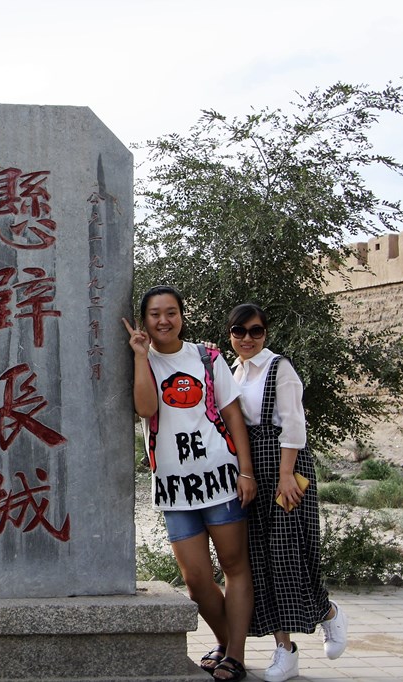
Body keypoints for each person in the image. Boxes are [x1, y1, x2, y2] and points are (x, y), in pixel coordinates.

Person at [123, 285, 256, 682]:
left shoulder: (206, 357)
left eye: (171, 312)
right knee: (197, 581)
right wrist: (141, 357)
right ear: (144, 319)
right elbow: (146, 409)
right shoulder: (141, 359)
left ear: (182, 315)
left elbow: (233, 417)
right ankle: (225, 639)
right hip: (175, 487)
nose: (163, 320)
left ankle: (234, 654)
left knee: (234, 566)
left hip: (219, 476)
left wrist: (245, 471)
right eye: (154, 314)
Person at [227, 303, 348, 682]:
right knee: (260, 559)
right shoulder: (233, 371)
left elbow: (294, 425)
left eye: (256, 331)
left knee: (290, 552)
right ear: (230, 334)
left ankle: (327, 613)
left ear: (266, 333)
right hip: (250, 470)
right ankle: (285, 650)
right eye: (240, 331)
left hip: (284, 468)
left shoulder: (280, 368)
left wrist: (285, 474)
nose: (247, 338)